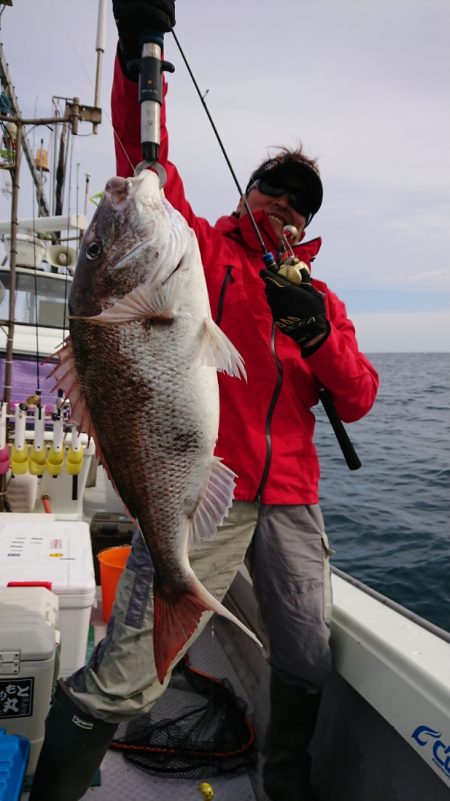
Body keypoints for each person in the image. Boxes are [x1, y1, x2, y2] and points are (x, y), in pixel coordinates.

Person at [29, 2, 379, 800]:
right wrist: (135, 57)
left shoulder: (321, 299)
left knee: (303, 655)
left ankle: (282, 779)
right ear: (248, 192)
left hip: (290, 498)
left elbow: (358, 398)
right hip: (196, 481)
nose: (284, 209)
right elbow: (142, 159)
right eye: (273, 192)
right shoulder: (196, 246)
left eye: (301, 204)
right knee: (127, 674)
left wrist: (319, 332)